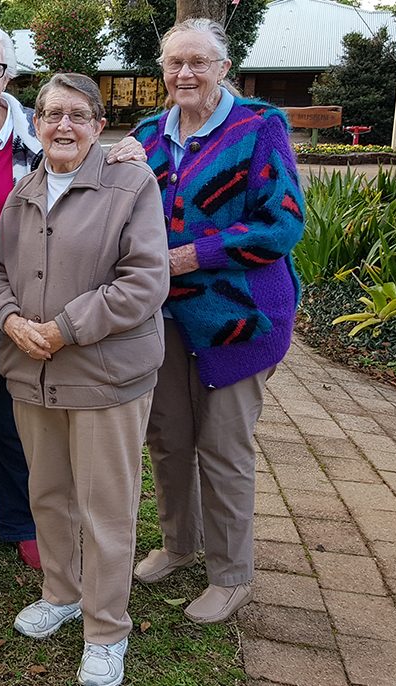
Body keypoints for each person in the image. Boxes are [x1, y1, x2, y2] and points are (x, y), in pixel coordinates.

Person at [0, 23, 146, 569]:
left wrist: (126, 149)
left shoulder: (38, 133)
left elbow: (88, 155)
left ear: (9, 73)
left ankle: (23, 522)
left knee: (15, 412)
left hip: (22, 296)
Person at [0, 73, 168, 686]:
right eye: (50, 114)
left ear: (98, 124)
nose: (62, 125)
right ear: (34, 124)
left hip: (104, 376)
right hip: (34, 375)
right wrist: (10, 319)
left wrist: (65, 327)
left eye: (76, 114)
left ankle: (106, 630)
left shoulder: (131, 182)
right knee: (49, 495)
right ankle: (62, 594)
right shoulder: (24, 192)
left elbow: (145, 281)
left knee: (106, 509)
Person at [129, 18, 305, 624]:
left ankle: (231, 575)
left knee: (224, 446)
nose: (185, 73)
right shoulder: (150, 134)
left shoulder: (259, 128)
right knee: (168, 438)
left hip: (240, 319)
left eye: (198, 62)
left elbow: (281, 225)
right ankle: (180, 545)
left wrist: (192, 254)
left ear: (223, 68)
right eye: (175, 62)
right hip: (165, 317)